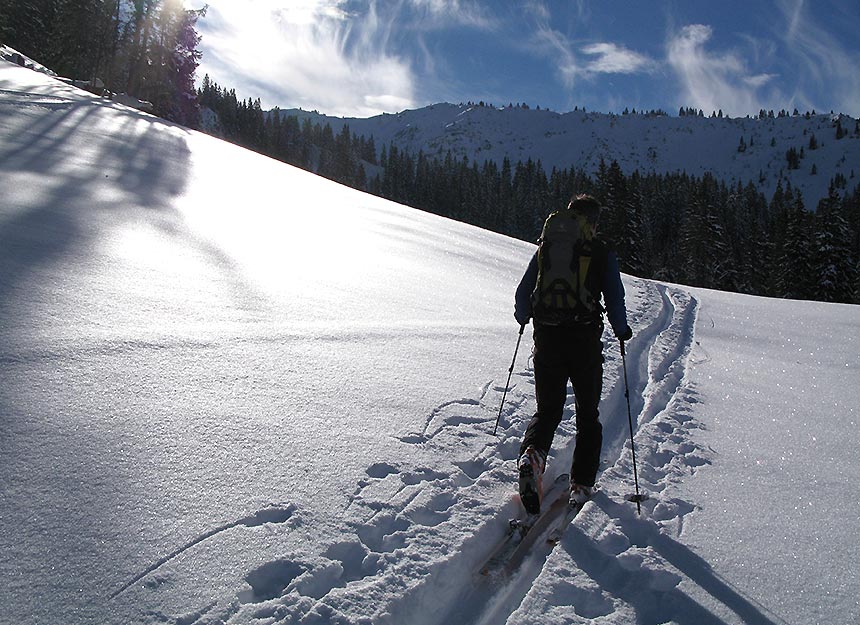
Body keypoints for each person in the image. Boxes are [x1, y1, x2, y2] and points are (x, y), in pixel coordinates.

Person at [513, 194, 632, 515]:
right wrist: (622, 330)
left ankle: (532, 457)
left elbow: (523, 294)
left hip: (547, 337)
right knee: (588, 415)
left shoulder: (547, 247)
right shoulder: (601, 252)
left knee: (548, 410)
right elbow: (615, 299)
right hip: (584, 341)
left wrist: (524, 317)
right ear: (593, 222)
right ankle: (581, 483)